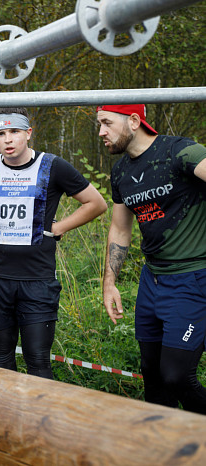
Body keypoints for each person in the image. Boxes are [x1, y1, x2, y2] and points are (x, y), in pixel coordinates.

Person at [0, 107, 106, 381]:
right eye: (1, 133)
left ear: (28, 134)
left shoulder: (53, 166)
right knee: (1, 354)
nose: (8, 139)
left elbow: (96, 203)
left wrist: (58, 227)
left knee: (37, 359)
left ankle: (40, 422)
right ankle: (2, 419)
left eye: (15, 132)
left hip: (38, 279)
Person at [97, 104, 206, 413]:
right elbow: (120, 229)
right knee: (154, 375)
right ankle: (164, 449)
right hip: (152, 281)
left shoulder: (180, 151)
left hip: (192, 279)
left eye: (106, 123)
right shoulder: (121, 171)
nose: (101, 132)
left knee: (177, 377)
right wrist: (109, 282)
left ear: (133, 121)